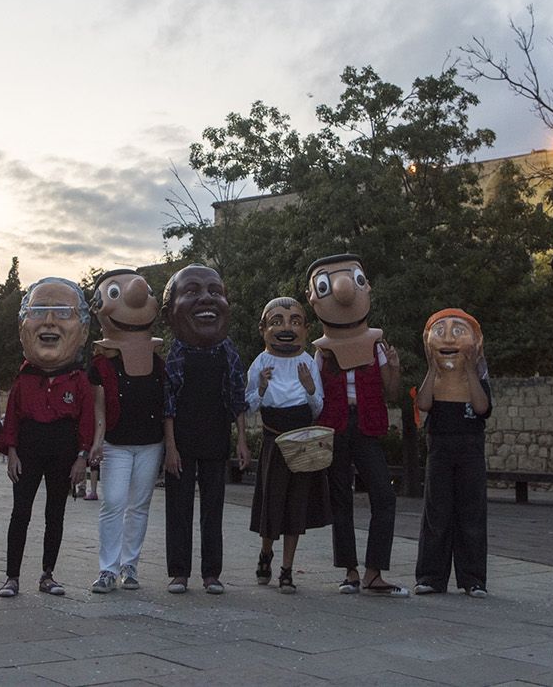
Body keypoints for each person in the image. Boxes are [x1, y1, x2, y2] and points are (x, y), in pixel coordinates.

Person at [308, 254, 406, 596]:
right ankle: (349, 571)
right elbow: (315, 397)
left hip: (367, 423)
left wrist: (392, 368)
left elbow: (391, 392)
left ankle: (374, 571)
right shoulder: (321, 353)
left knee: (384, 494)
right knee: (340, 498)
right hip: (335, 425)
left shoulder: (377, 346)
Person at [0, 277, 96, 598]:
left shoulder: (79, 379)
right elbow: (12, 416)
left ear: (82, 331)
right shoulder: (24, 377)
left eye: (62, 313)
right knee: (20, 512)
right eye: (40, 311)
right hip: (29, 446)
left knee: (56, 512)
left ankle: (47, 574)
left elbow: (86, 420)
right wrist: (11, 451)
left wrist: (82, 457)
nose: (50, 321)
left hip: (63, 448)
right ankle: (12, 576)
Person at [161, 264, 251, 595]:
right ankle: (179, 573)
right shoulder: (176, 352)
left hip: (216, 437)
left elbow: (236, 397)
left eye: (215, 292)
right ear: (171, 311)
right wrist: (170, 447)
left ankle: (212, 573)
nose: (206, 299)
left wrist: (242, 440)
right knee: (178, 508)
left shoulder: (227, 351)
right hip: (182, 440)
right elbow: (168, 403)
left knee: (213, 509)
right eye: (193, 291)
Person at [87, 268, 165, 593]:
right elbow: (99, 409)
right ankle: (108, 568)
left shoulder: (159, 362)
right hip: (117, 444)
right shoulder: (100, 365)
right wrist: (96, 442)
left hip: (150, 442)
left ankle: (129, 565)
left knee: (140, 505)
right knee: (113, 501)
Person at [246, 298, 329, 594]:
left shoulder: (308, 362)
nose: (286, 328)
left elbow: (318, 407)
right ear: (263, 329)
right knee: (272, 502)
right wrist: (262, 388)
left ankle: (287, 569)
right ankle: (266, 553)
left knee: (296, 505)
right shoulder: (260, 363)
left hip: (302, 441)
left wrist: (308, 388)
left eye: (294, 321)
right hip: (273, 439)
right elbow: (251, 406)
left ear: (306, 329)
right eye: (277, 321)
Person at [414, 308, 492, 597]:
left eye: (458, 332)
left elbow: (482, 407)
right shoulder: (433, 379)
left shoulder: (479, 376)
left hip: (470, 444)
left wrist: (470, 368)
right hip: (440, 445)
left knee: (471, 512)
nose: (448, 338)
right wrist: (432, 368)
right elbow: (423, 404)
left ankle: (473, 579)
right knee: (436, 512)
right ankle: (431, 576)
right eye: (440, 331)